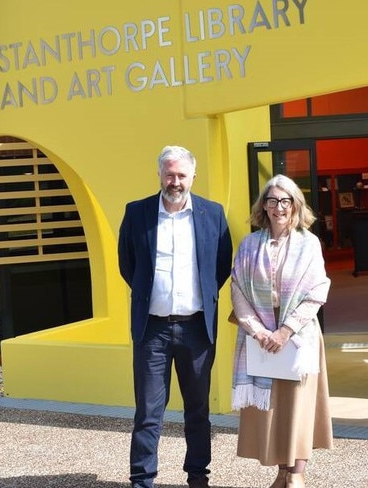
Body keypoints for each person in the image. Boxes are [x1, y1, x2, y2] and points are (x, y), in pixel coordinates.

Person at [118, 145, 233, 488]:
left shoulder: (212, 214)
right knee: (148, 413)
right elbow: (128, 265)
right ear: (159, 174)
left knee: (197, 410)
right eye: (169, 174)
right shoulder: (137, 213)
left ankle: (198, 476)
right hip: (152, 329)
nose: (175, 181)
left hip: (196, 328)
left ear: (193, 176)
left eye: (182, 175)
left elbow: (220, 267)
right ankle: (142, 480)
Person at [230, 174, 332, 488]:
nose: (278, 207)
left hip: (297, 335)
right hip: (261, 337)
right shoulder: (249, 244)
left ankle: (297, 472)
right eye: (271, 200)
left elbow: (318, 290)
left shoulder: (309, 243)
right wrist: (258, 331)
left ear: (295, 205)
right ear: (264, 206)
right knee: (273, 406)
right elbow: (237, 289)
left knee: (298, 404)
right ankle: (281, 472)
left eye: (285, 200)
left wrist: (285, 331)